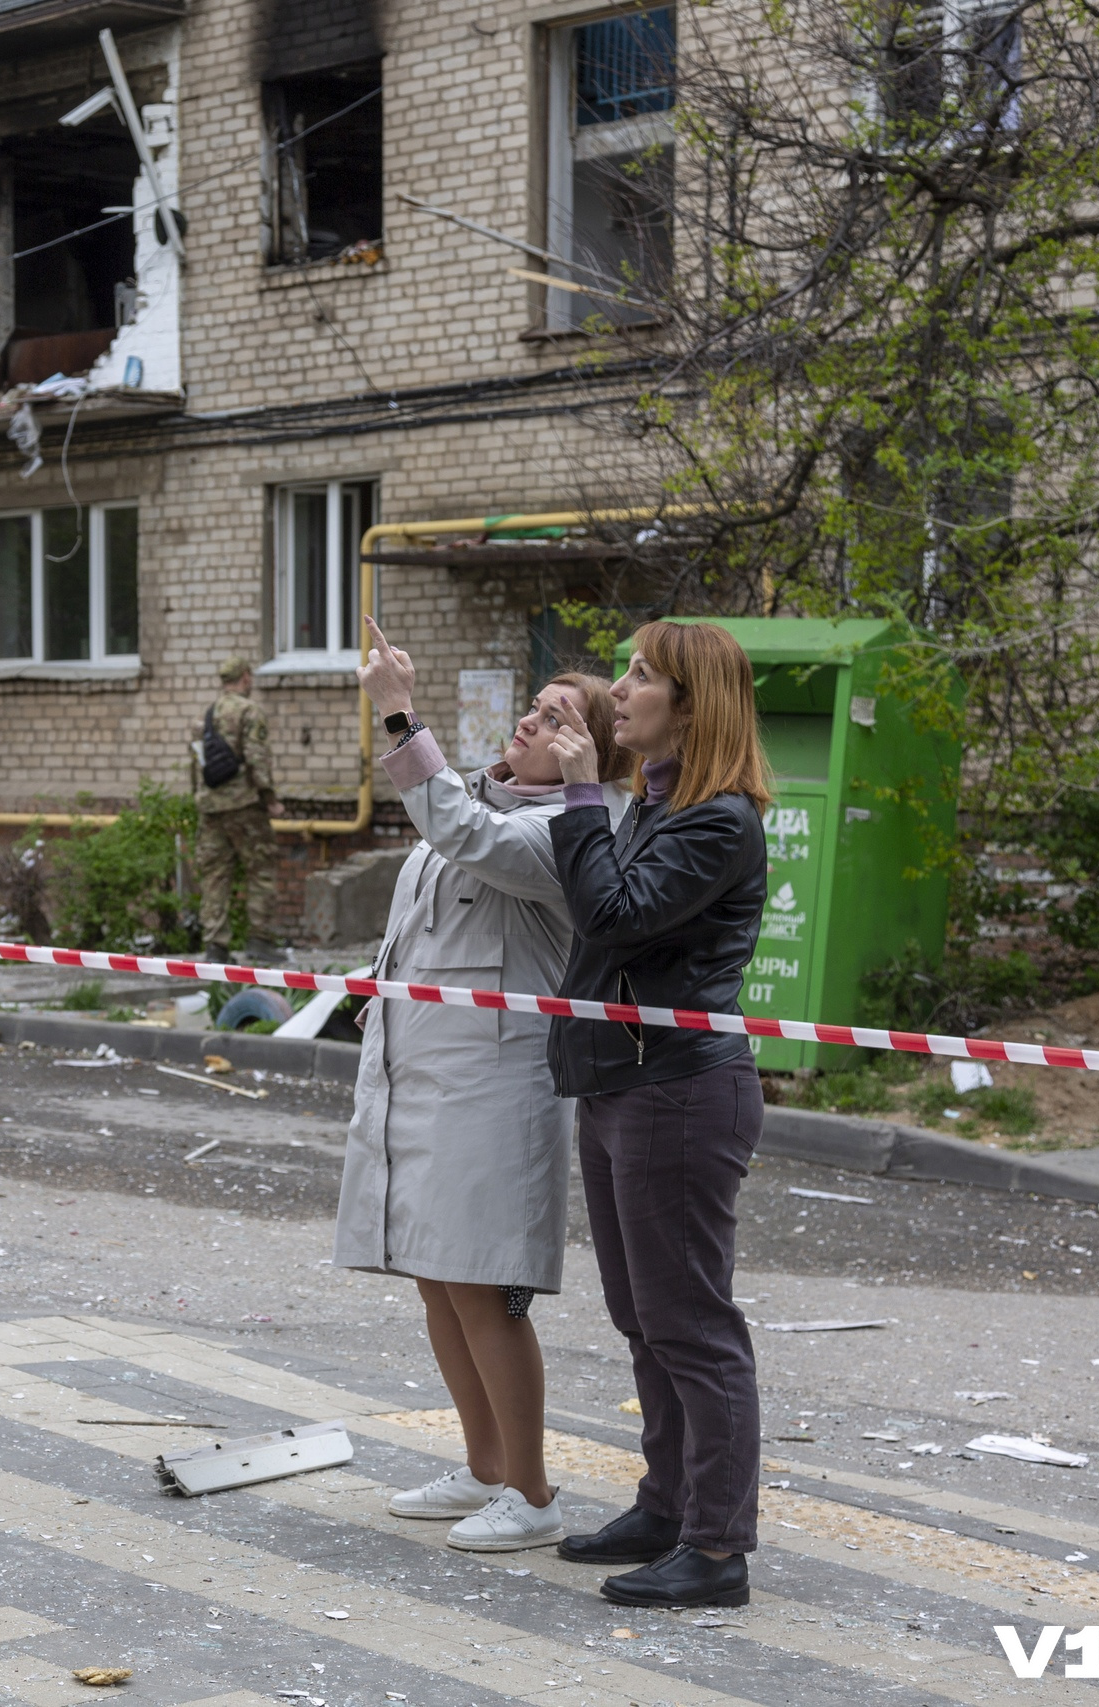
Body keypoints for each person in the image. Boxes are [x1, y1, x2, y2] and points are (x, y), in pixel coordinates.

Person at [343, 622, 634, 1552]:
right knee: (434, 1275)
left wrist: (398, 711)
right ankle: (483, 1467)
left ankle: (535, 1491)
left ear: (588, 750)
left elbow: (464, 835)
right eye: (534, 708)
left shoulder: (566, 834)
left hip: (494, 1085)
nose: (529, 721)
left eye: (556, 718)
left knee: (484, 1287)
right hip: (420, 1072)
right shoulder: (477, 800)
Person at [547, 619, 772, 1609]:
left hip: (677, 1089)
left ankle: (716, 1549)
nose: (622, 688)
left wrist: (576, 796)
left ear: (691, 704)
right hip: (620, 1083)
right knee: (643, 1319)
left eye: (642, 676)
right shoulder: (654, 802)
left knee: (691, 1324)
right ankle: (667, 1504)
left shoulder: (715, 820)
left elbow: (614, 916)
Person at [195, 655, 283, 963]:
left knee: (215, 875)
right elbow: (257, 758)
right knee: (260, 869)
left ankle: (215, 948)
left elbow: (198, 764)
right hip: (245, 805)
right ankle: (259, 940)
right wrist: (270, 798)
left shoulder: (208, 714)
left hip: (210, 807)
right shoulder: (249, 711)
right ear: (245, 677)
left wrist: (200, 797)